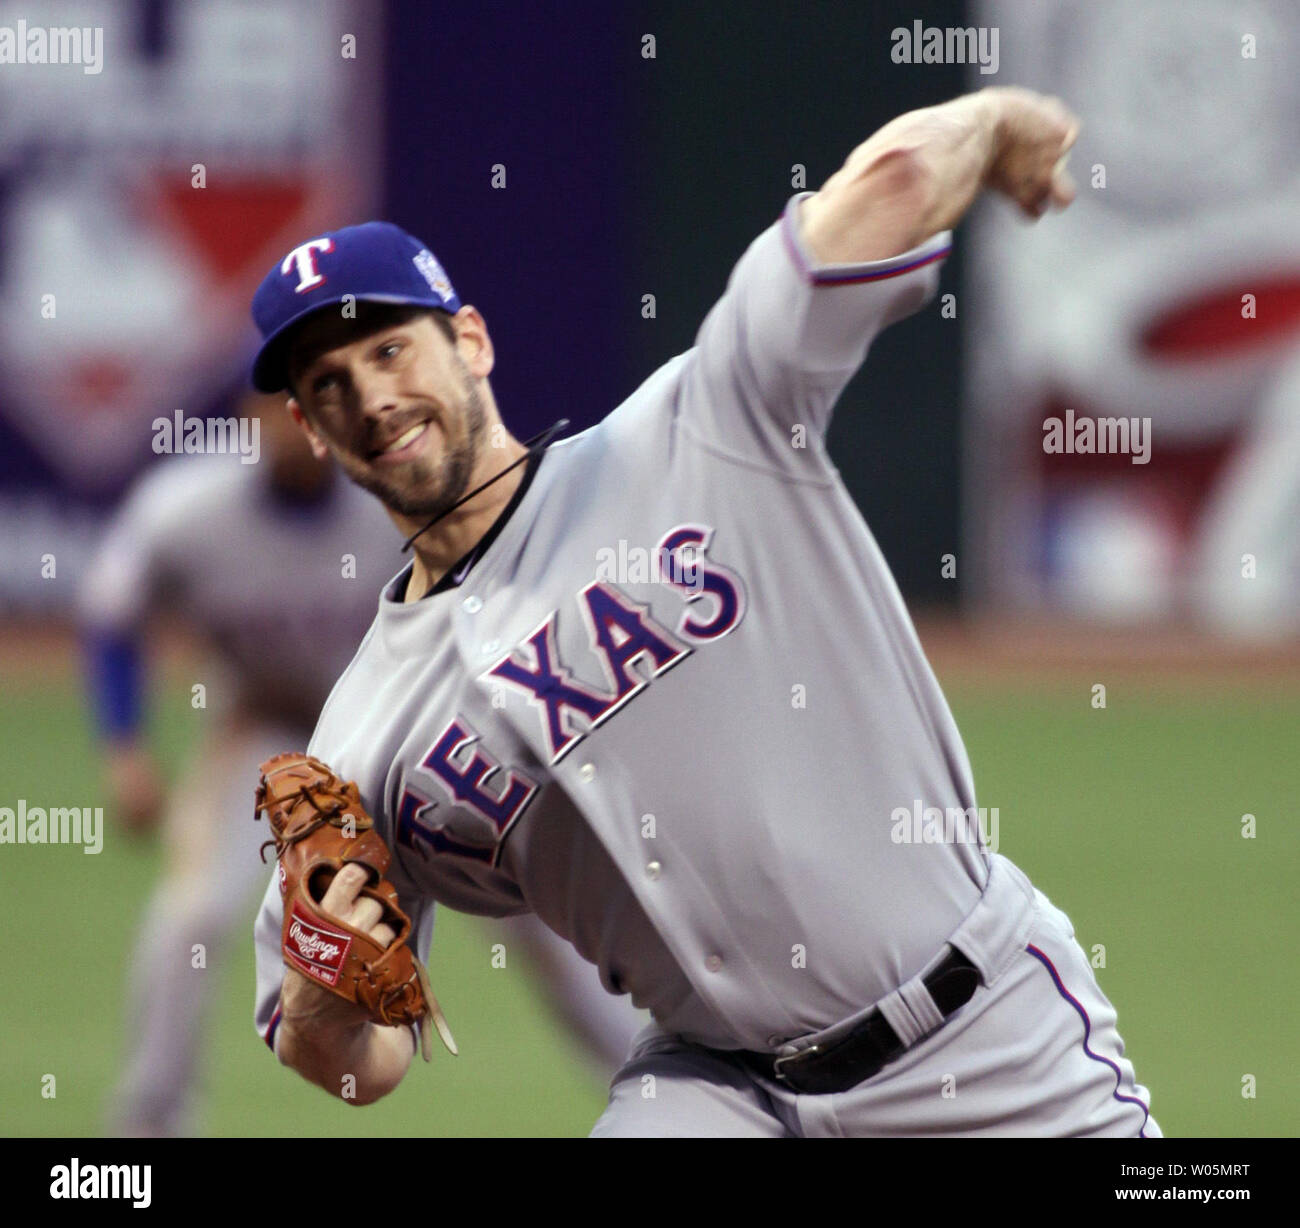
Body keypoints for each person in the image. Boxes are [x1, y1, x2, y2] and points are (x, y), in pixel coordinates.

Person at [248, 85, 1160, 1136]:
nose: (368, 397)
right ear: (312, 431)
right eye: (327, 385)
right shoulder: (363, 732)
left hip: (984, 1037)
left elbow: (893, 183)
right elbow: (361, 1064)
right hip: (720, 1093)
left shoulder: (703, 427)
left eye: (389, 350)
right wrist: (322, 997)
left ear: (472, 341)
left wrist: (995, 121)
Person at [83, 388, 638, 1136]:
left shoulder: (396, 497)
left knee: (542, 924)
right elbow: (112, 615)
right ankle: (144, 1132)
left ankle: (655, 1094)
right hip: (269, 747)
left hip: (421, 741)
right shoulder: (186, 510)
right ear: (250, 416)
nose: (288, 424)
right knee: (188, 916)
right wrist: (125, 747)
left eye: (304, 405)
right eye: (272, 405)